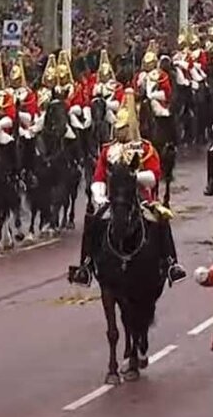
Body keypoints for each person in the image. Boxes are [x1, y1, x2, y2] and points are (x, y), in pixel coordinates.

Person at [68, 92, 187, 287]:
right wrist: (99, 195)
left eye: (123, 128)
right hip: (114, 197)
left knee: (160, 220)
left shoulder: (145, 149)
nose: (119, 132)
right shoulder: (109, 150)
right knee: (93, 220)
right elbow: (99, 176)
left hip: (140, 196)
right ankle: (86, 265)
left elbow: (153, 175)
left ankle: (171, 263)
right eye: (117, 128)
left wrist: (132, 178)